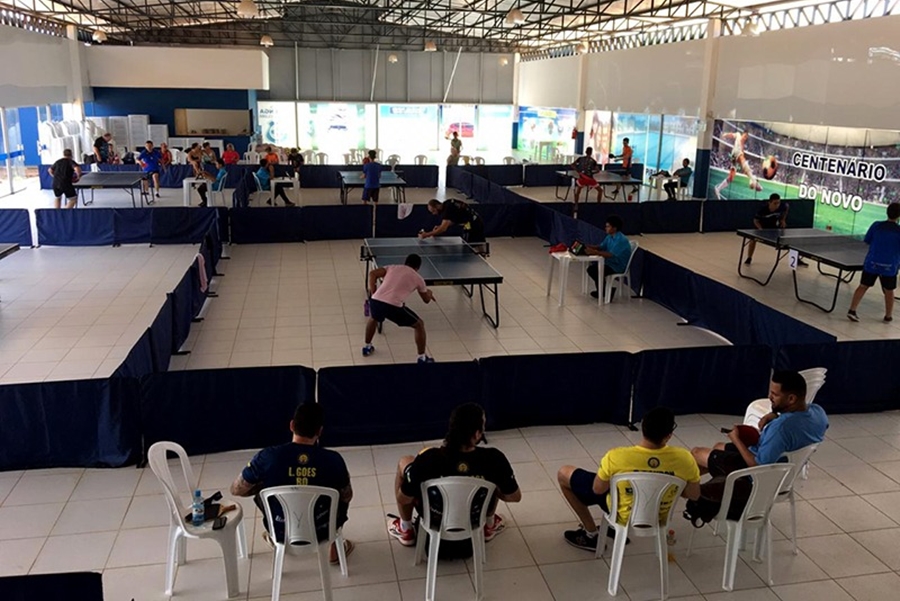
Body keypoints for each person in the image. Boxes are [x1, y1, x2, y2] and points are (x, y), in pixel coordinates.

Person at [557, 407, 700, 551]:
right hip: (658, 516)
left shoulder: (616, 456)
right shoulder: (685, 459)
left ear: (643, 428)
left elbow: (598, 489)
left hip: (621, 514)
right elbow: (693, 495)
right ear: (669, 435)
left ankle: (590, 534)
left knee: (564, 474)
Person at [230, 402, 354, 563]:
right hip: (322, 531)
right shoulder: (334, 460)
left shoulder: (267, 457)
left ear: (291, 425)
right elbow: (347, 496)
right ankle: (333, 549)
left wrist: (263, 486)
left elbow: (236, 489)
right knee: (339, 496)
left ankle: (275, 539)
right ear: (320, 431)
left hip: (281, 530)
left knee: (262, 492)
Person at [388, 402, 521, 547]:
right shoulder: (494, 459)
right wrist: (494, 490)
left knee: (405, 461)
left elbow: (403, 499)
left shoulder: (428, 458)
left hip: (434, 522)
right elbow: (514, 497)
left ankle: (406, 528)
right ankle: (488, 525)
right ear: (477, 434)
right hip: (474, 523)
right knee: (494, 480)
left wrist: (415, 488)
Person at [691, 371, 828, 477]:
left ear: (791, 398)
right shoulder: (818, 412)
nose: (769, 397)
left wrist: (736, 439)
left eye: (775, 394)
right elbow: (797, 424)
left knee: (697, 453)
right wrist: (775, 415)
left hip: (757, 475)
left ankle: (690, 488)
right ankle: (690, 486)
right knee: (718, 447)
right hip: (786, 468)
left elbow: (757, 466)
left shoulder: (780, 428)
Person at [362, 253, 435, 363]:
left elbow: (372, 273)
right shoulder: (419, 279)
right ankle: (422, 358)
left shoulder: (392, 267)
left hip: (376, 300)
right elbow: (426, 300)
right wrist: (429, 293)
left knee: (373, 318)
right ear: (418, 267)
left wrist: (374, 292)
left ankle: (367, 347)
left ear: (405, 262)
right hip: (393, 306)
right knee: (419, 325)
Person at [848, 202, 900, 322]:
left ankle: (852, 310)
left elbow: (867, 240)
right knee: (889, 291)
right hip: (890, 266)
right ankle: (888, 316)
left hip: (872, 263)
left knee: (863, 286)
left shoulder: (876, 225)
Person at [584, 215, 632, 299]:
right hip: (609, 263)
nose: (605, 228)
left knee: (594, 270)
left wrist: (595, 252)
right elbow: (601, 247)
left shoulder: (621, 240)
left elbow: (610, 254)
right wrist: (588, 246)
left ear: (614, 228)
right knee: (592, 269)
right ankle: (603, 291)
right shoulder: (609, 237)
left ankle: (603, 291)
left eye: (608, 226)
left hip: (617, 266)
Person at [744, 193, 794, 265]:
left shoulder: (782, 206)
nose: (777, 205)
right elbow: (755, 220)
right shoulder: (763, 210)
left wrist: (783, 220)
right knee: (752, 240)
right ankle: (749, 258)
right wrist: (760, 229)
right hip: (762, 226)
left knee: (789, 241)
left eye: (778, 203)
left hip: (773, 226)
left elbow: (787, 207)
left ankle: (796, 259)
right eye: (775, 203)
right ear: (769, 202)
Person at [714, 130, 763, 199]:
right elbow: (731, 134)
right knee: (742, 160)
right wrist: (725, 134)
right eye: (745, 136)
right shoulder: (738, 135)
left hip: (735, 157)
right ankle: (753, 180)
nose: (745, 138)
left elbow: (743, 162)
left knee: (731, 177)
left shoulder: (742, 146)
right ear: (743, 134)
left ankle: (718, 189)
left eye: (746, 137)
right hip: (735, 155)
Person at [420, 198, 485, 245]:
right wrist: (439, 227)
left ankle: (482, 257)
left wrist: (426, 235)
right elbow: (452, 221)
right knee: (473, 244)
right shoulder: (447, 203)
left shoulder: (447, 210)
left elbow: (443, 229)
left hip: (473, 224)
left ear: (437, 206)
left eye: (433, 211)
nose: (433, 214)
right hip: (472, 222)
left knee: (471, 246)